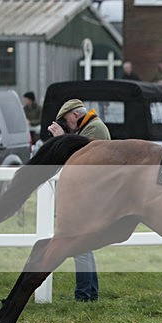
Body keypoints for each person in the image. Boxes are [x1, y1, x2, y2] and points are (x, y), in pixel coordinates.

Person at [48, 99, 111, 301]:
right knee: (83, 246)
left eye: (66, 121)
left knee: (78, 245)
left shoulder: (95, 130)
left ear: (75, 115)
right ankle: (89, 295)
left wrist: (61, 138)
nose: (66, 126)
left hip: (90, 196)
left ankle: (84, 295)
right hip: (91, 195)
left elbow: (78, 162)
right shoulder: (92, 128)